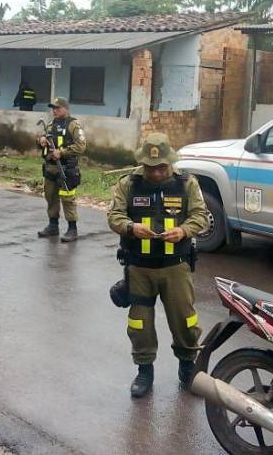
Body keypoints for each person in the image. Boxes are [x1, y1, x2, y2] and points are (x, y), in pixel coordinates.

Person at [106, 132, 208, 398]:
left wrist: (184, 231)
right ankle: (144, 371)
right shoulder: (128, 184)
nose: (156, 173)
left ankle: (187, 367)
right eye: (151, 168)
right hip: (139, 268)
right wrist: (130, 227)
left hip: (176, 267)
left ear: (170, 162)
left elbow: (201, 217)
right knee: (139, 323)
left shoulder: (188, 184)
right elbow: (114, 216)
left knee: (186, 320)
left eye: (161, 167)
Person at [37, 97, 86, 243]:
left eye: (57, 108)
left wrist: (62, 152)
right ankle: (53, 226)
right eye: (53, 108)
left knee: (67, 199)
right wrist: (41, 140)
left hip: (66, 169)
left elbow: (81, 146)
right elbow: (42, 139)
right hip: (51, 168)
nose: (55, 111)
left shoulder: (73, 125)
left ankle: (72, 229)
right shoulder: (51, 124)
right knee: (50, 197)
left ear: (66, 108)